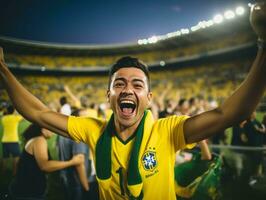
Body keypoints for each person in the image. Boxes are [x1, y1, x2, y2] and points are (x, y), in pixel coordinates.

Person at [0, 2, 265, 199]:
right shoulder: (94, 130)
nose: (127, 89)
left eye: (137, 84)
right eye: (119, 84)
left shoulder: (168, 131)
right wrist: (2, 67)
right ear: (109, 96)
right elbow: (38, 113)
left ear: (148, 99)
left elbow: (229, 113)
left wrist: (263, 42)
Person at [8, 124, 83, 200]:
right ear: (43, 129)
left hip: (26, 191)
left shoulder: (36, 139)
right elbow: (45, 166)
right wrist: (72, 162)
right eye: (51, 128)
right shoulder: (39, 140)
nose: (53, 132)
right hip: (28, 193)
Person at [58, 108, 98, 200]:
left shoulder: (64, 133)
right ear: (76, 120)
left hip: (67, 179)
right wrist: (87, 188)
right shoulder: (79, 135)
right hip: (79, 182)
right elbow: (79, 163)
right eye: (85, 118)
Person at [0, 105, 23, 175]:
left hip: (4, 140)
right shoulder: (15, 118)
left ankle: (2, 172)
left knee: (5, 157)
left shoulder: (3, 118)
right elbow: (22, 116)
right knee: (16, 157)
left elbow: (2, 114)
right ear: (13, 111)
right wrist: (16, 112)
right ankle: (14, 172)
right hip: (13, 140)